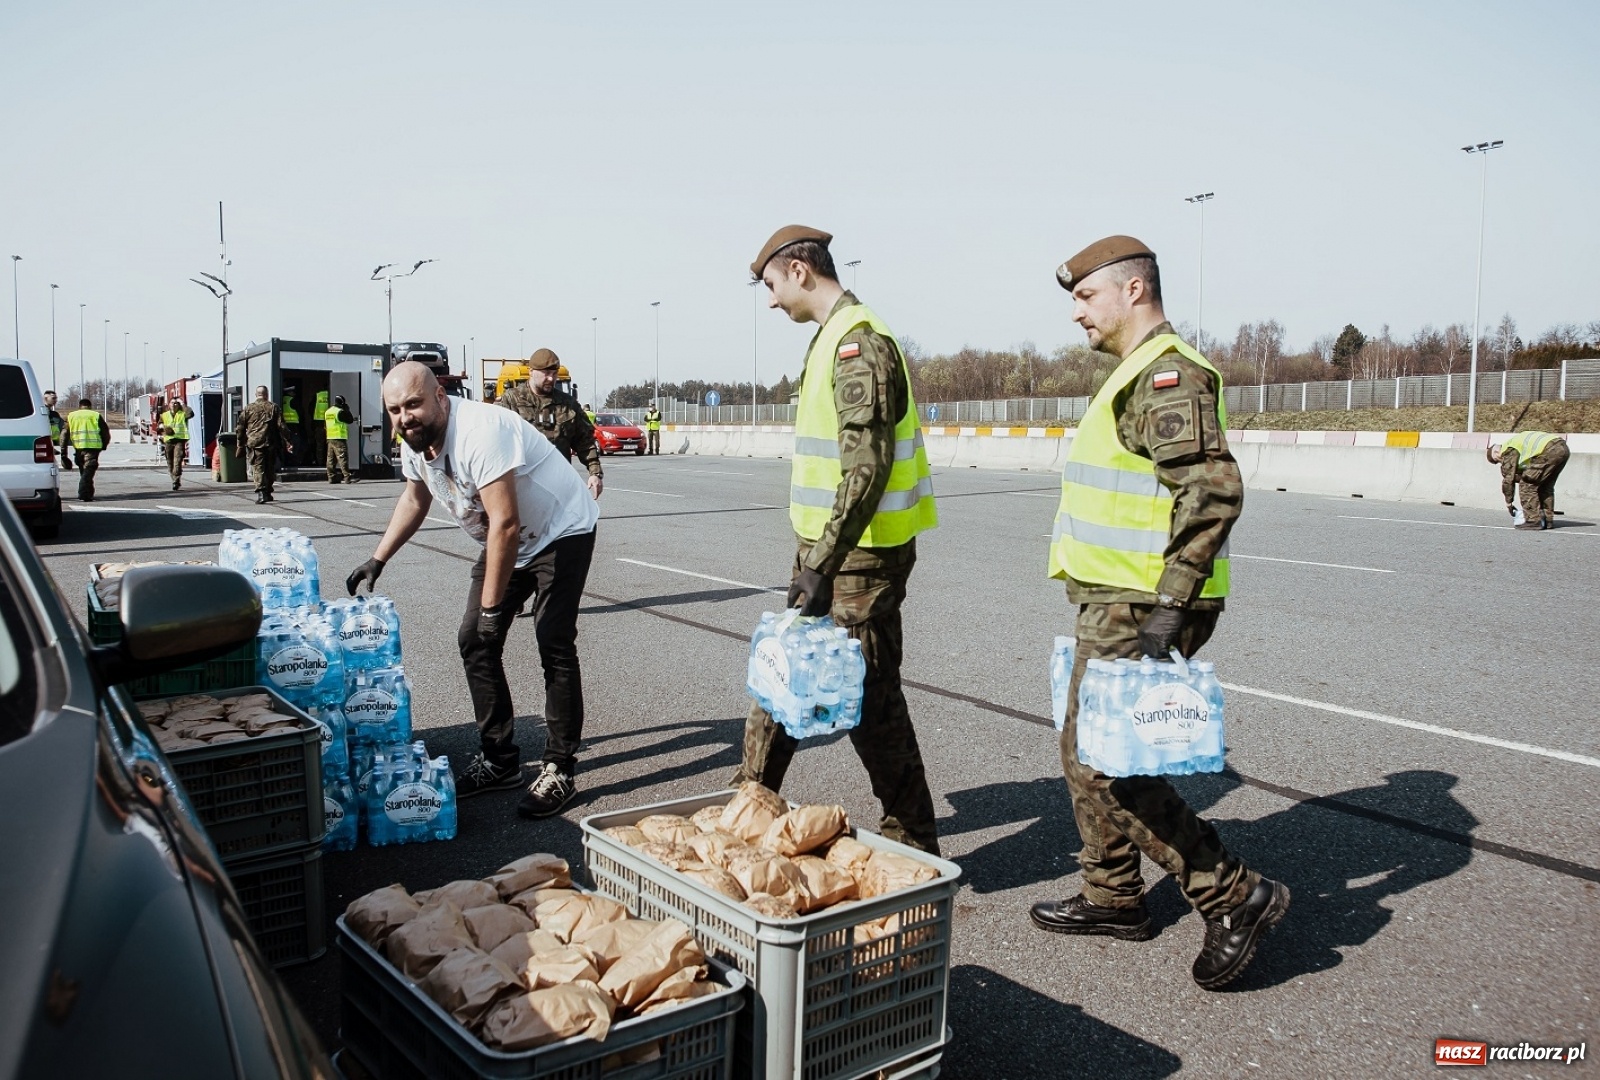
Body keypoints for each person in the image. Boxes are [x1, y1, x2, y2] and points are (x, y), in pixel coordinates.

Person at [1029, 235, 1288, 991]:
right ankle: (1113, 896)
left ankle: (1234, 894)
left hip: (1145, 601)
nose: (1076, 314)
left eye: (1085, 297)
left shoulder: (1167, 374)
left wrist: (1169, 608)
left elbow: (1212, 491)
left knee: (1112, 765)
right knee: (1086, 753)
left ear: (1134, 290)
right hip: (1116, 594)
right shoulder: (1132, 374)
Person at [729, 225, 941, 853]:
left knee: (869, 701)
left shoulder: (858, 345)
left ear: (799, 270)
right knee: (790, 677)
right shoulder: (832, 340)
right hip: (836, 553)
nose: (770, 301)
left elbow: (867, 465)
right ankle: (748, 805)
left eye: (771, 285)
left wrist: (821, 563)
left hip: (857, 558)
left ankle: (916, 844)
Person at [348, 362, 598, 818]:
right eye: (395, 409)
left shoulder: (479, 432)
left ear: (440, 398)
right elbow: (415, 497)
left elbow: (505, 522)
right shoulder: (415, 441)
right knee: (474, 642)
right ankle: (501, 760)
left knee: (552, 638)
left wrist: (491, 609)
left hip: (560, 530)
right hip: (510, 539)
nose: (406, 417)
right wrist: (378, 557)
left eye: (414, 404)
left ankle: (560, 767)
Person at [498, 349, 604, 501]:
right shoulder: (511, 400)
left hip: (559, 484)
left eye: (554, 374)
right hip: (523, 486)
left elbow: (584, 442)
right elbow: (497, 442)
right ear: (531, 372)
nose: (551, 378)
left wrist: (595, 473)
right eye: (546, 373)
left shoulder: (568, 404)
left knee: (584, 522)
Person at [1488, 432, 1569, 530]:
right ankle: (1547, 520)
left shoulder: (1508, 449)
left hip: (1548, 450)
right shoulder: (1516, 442)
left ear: (1496, 452)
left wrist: (1509, 502)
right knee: (1545, 486)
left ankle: (1533, 520)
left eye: (1497, 460)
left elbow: (1508, 479)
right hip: (1562, 448)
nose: (1500, 462)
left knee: (1526, 484)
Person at [236, 386, 292, 504]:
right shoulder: (273, 407)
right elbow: (281, 426)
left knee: (258, 467)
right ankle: (267, 492)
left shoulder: (248, 408)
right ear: (266, 394)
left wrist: (240, 444)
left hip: (255, 443)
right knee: (270, 467)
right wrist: (288, 440)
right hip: (270, 442)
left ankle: (261, 492)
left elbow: (240, 428)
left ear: (256, 395)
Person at [61, 397, 110, 502]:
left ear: (79, 406)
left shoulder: (71, 416)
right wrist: (104, 445)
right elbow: (105, 432)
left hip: (78, 448)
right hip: (93, 448)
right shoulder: (95, 415)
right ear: (90, 406)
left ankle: (88, 493)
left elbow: (64, 435)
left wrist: (63, 453)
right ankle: (83, 493)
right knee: (88, 471)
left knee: (85, 471)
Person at [159, 396, 195, 491]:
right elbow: (159, 425)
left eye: (176, 403)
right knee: (170, 463)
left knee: (177, 461)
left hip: (179, 440)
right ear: (169, 405)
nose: (174, 404)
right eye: (172, 403)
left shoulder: (183, 414)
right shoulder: (165, 415)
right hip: (169, 441)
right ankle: (175, 481)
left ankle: (176, 479)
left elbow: (190, 414)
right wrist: (163, 428)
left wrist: (183, 404)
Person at [324, 394, 359, 484]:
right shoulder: (340, 412)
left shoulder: (328, 411)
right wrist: (347, 410)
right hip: (339, 438)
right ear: (342, 403)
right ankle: (347, 477)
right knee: (342, 458)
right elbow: (350, 420)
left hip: (330, 437)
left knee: (330, 459)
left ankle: (331, 477)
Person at [280, 392, 301, 470]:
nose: (294, 393)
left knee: (285, 443)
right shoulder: (292, 400)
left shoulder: (283, 400)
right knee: (295, 443)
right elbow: (300, 412)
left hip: (284, 425)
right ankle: (293, 461)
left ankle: (286, 460)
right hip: (293, 425)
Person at [312, 388, 330, 468]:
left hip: (318, 424)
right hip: (331, 424)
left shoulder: (318, 395)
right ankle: (329, 464)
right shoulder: (333, 395)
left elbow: (311, 409)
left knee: (320, 445)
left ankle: (320, 463)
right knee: (330, 446)